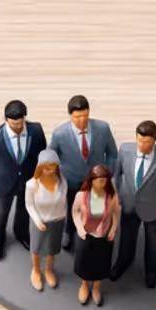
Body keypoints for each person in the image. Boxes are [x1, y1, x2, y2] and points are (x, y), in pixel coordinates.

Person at [114, 120, 156, 288]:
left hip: (153, 209)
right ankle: (123, 262)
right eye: (139, 140)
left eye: (147, 142)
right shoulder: (125, 150)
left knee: (153, 243)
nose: (142, 145)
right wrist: (118, 194)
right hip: (129, 205)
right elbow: (117, 173)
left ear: (154, 140)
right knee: (126, 238)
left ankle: (151, 271)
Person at [0, 100, 46, 259]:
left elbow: (42, 153)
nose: (17, 127)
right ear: (6, 120)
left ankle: (21, 233)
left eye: (20, 123)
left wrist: (39, 177)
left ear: (25, 119)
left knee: (24, 210)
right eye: (13, 124)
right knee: (1, 213)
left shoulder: (35, 131)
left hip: (28, 182)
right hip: (4, 184)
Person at [51, 95, 118, 252]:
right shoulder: (59, 134)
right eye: (77, 117)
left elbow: (113, 154)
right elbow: (51, 156)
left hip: (96, 183)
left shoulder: (103, 128)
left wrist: (107, 174)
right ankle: (69, 230)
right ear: (70, 116)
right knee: (71, 208)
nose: (81, 121)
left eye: (85, 116)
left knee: (95, 208)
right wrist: (57, 177)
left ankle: (93, 230)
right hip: (71, 180)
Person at [71, 165, 120, 306]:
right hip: (86, 234)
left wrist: (113, 229)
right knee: (85, 261)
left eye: (104, 181)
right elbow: (75, 212)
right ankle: (85, 285)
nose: (101, 184)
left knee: (101, 261)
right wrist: (80, 228)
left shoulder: (111, 196)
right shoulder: (82, 195)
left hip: (103, 235)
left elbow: (115, 214)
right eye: (99, 181)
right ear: (92, 180)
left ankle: (97, 287)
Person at [24, 150, 68, 291]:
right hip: (40, 221)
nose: (51, 170)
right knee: (36, 247)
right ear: (40, 166)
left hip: (57, 220)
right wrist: (37, 221)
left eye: (53, 166)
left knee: (52, 248)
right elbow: (29, 204)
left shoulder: (62, 181)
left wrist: (63, 215)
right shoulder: (32, 184)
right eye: (47, 166)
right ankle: (36, 270)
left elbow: (64, 201)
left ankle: (48, 269)